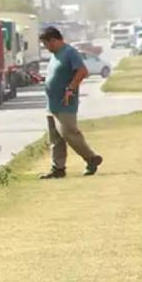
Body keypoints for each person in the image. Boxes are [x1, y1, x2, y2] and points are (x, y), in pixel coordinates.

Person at [39, 26, 103, 179]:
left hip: (65, 102)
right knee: (55, 139)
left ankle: (91, 158)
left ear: (53, 40)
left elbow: (82, 71)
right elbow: (57, 75)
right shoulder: (55, 55)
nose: (46, 48)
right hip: (52, 104)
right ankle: (58, 168)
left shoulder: (70, 52)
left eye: (46, 44)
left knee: (69, 133)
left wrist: (71, 88)